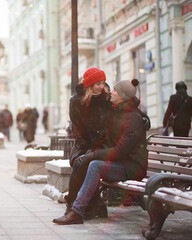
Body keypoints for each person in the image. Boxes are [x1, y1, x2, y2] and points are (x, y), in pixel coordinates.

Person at [53, 79, 150, 225]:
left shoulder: (131, 118)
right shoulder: (119, 109)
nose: (110, 91)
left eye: (115, 90)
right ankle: (86, 208)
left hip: (132, 167)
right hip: (121, 162)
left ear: (122, 96)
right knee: (86, 164)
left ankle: (76, 211)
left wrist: (91, 155)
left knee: (94, 165)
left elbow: (120, 151)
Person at [56, 67, 113, 222]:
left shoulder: (108, 99)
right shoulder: (76, 102)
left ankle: (73, 208)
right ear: (89, 85)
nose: (101, 87)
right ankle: (94, 204)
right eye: (98, 84)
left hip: (104, 144)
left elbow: (121, 114)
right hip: (83, 143)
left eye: (103, 83)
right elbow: (78, 129)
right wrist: (87, 148)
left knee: (84, 164)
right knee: (80, 161)